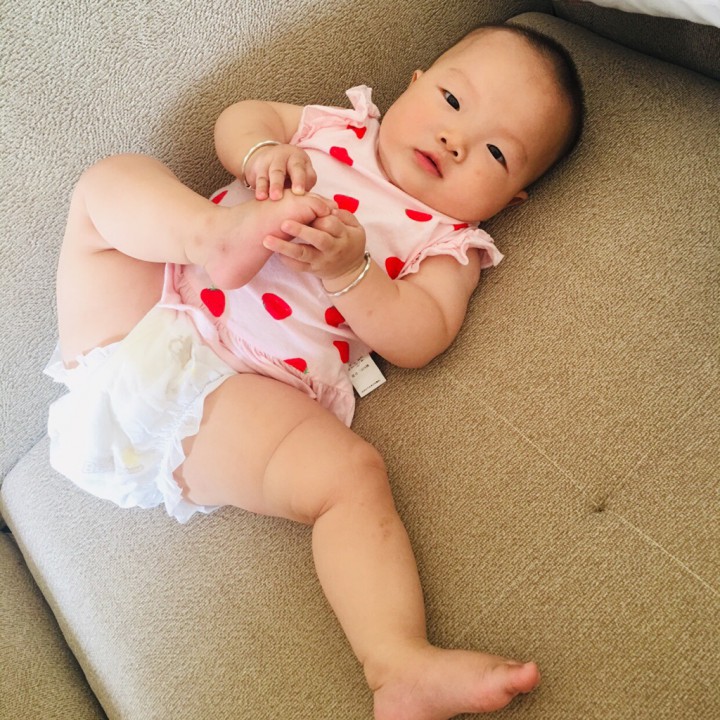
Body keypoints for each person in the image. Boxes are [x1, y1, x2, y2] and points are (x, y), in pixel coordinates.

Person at [47, 23, 583, 720]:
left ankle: (397, 661)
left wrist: (350, 271)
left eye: (495, 152)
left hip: (231, 399)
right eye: (453, 101)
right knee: (107, 186)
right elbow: (241, 117)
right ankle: (214, 235)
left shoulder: (446, 243)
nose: (456, 139)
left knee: (351, 477)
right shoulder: (334, 128)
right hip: (141, 307)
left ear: (511, 200)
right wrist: (260, 152)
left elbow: (422, 335)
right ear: (414, 83)